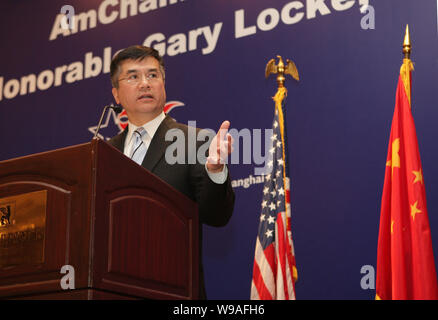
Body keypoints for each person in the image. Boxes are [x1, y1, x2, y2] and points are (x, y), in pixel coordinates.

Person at [107, 45, 235, 299]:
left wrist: (215, 170)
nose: (145, 83)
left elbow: (217, 216)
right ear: (116, 94)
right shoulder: (105, 154)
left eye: (153, 75)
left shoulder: (193, 141)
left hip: (173, 290)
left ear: (163, 85)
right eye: (133, 76)